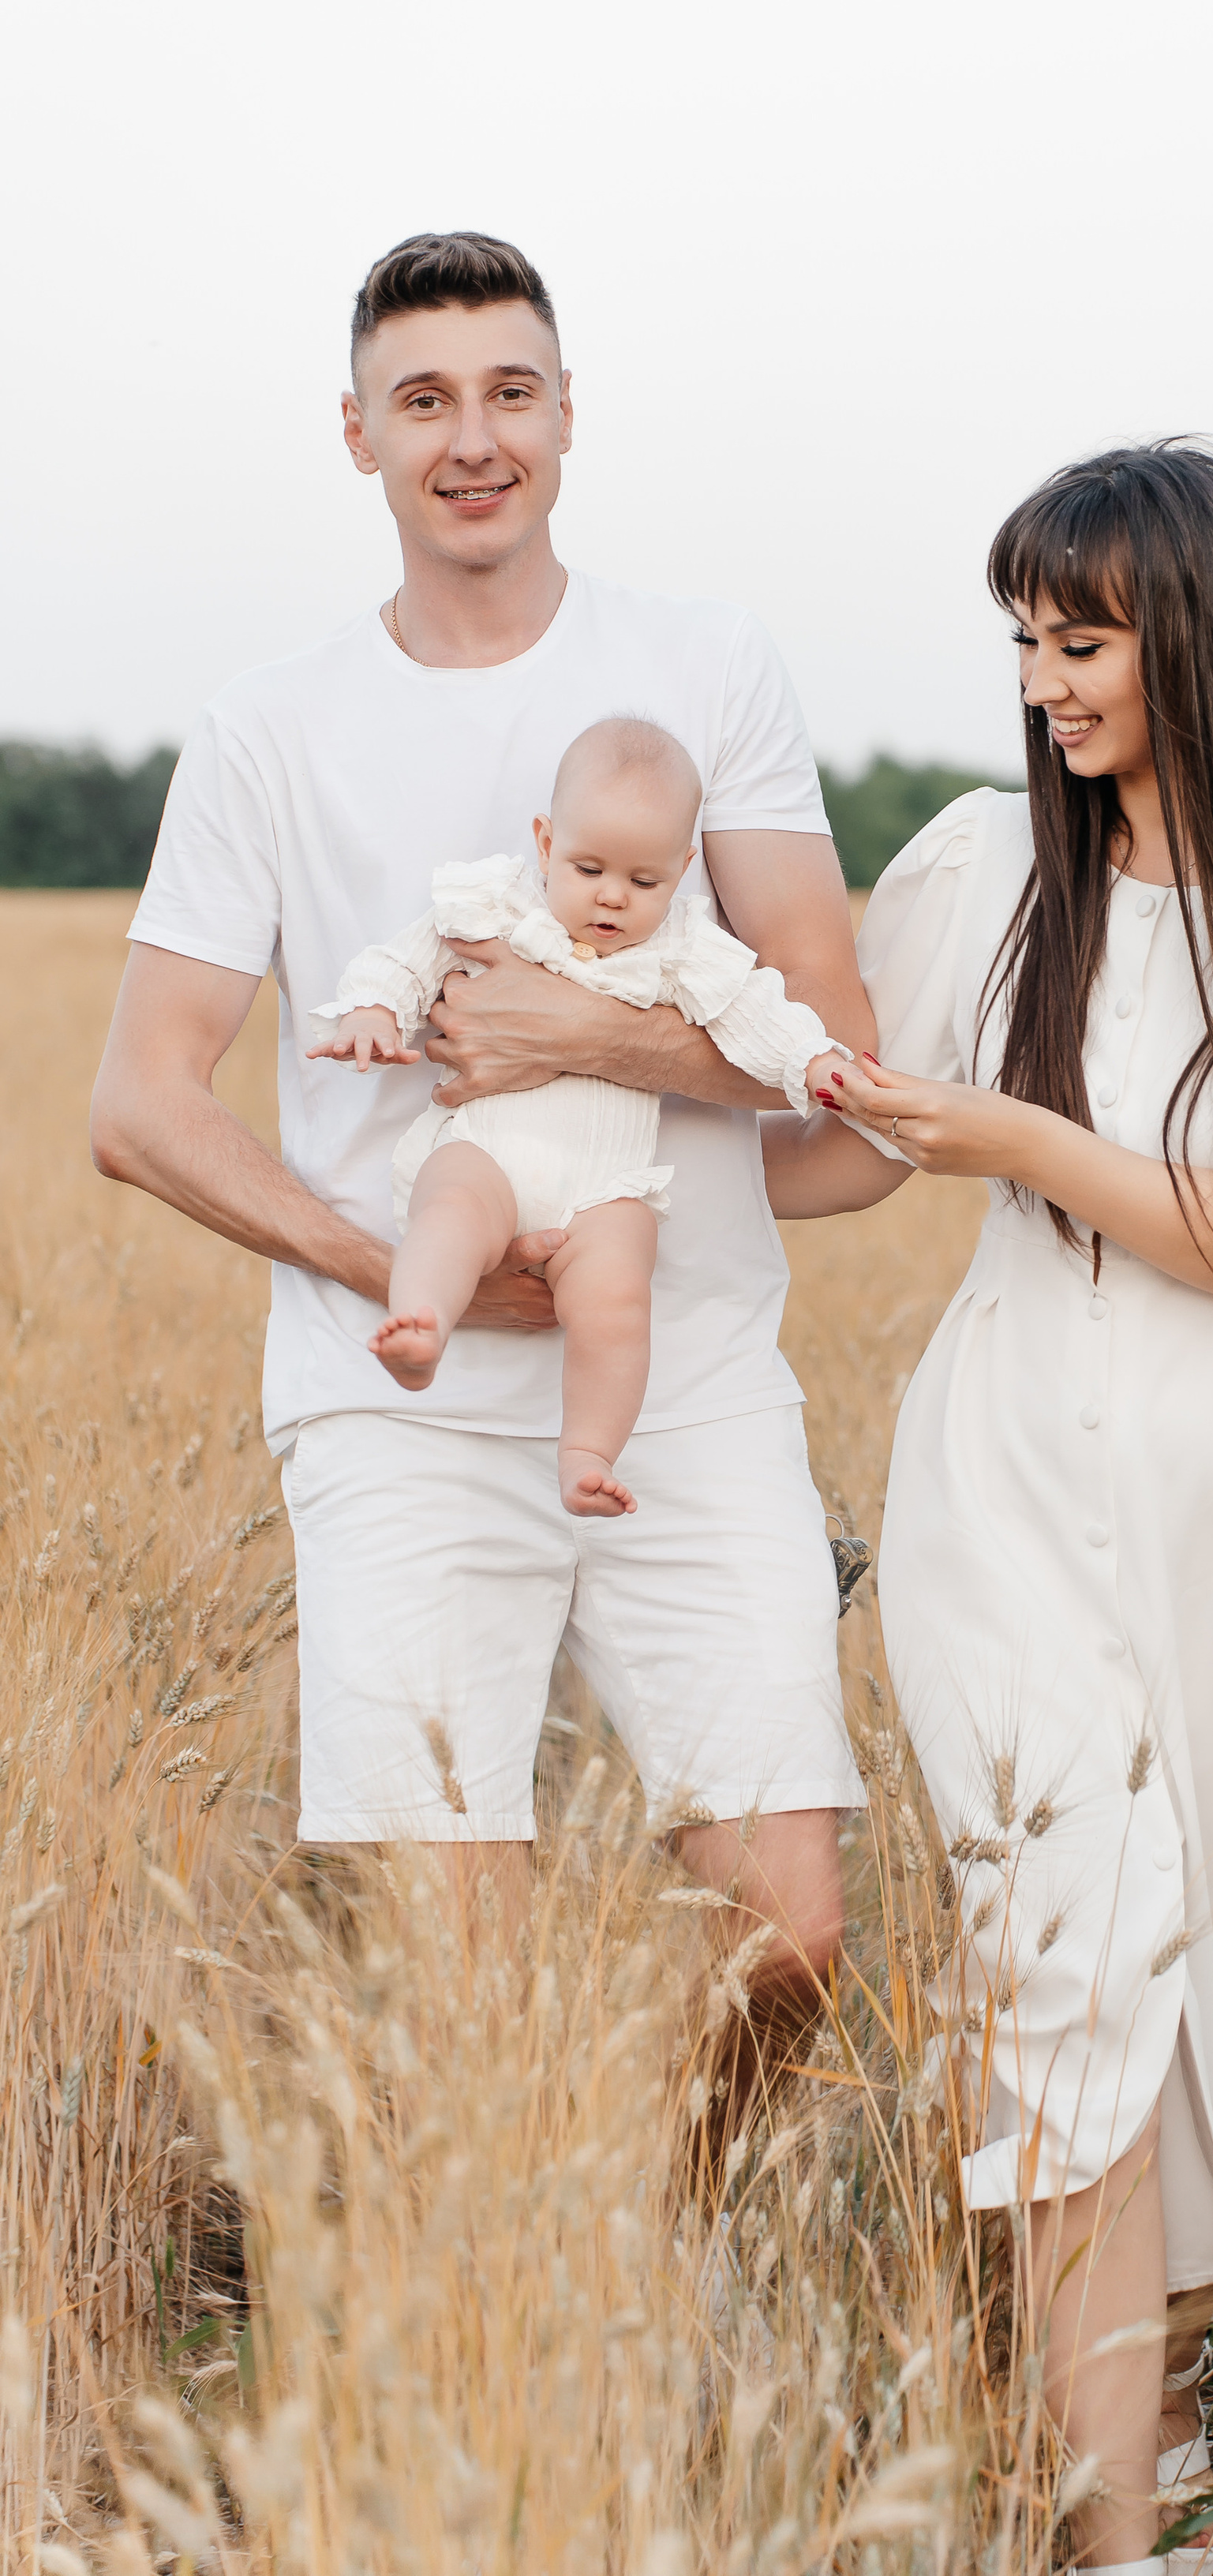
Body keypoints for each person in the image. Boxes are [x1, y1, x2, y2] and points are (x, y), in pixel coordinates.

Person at [766, 444, 1213, 2573]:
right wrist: (599, 1106)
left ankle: (1150, 2447)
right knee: (1068, 1963)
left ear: (1199, 631)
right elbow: (846, 1146)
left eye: (1079, 639)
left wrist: (1019, 1137)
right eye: (1023, 637)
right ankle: (1109, 2526)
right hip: (1004, 1476)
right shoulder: (983, 862)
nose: (1041, 682)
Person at [92, 230, 874, 2000]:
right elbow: (138, 1104)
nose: (472, 439)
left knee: (790, 1943)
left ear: (568, 413)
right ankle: (539, 2197)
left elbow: (834, 1039)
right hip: (404, 1405)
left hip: (687, 1377)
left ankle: (667, 2173)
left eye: (509, 392)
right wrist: (399, 1272)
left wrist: (583, 1038)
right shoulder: (268, 729)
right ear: (356, 433)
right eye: (423, 399)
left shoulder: (708, 664)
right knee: (471, 1993)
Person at [309, 715, 846, 1518]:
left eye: (644, 882)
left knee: (618, 1300)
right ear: (546, 842)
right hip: (487, 1147)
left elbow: (755, 1014)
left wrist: (812, 1061)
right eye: (589, 868)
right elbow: (408, 959)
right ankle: (421, 1324)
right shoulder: (497, 906)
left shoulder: (684, 947)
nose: (612, 896)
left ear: (683, 870)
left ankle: (588, 1453)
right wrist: (374, 1010)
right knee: (450, 1215)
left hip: (606, 1186)